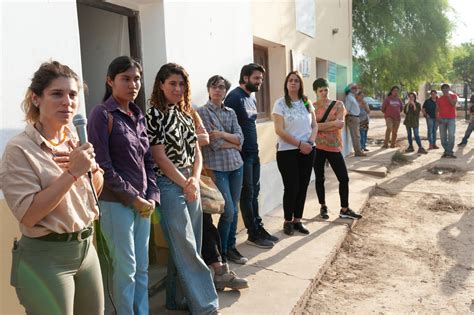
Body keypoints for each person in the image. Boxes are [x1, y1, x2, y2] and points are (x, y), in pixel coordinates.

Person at [0, 61, 104, 314]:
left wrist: (91, 169)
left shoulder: (76, 138)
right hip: (47, 257)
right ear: (36, 98)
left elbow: (94, 192)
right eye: (56, 94)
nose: (67, 102)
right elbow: (29, 214)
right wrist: (71, 173)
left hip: (86, 250)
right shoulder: (19, 149)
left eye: (72, 94)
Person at [87, 56, 159, 315]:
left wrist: (151, 195)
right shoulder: (102, 114)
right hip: (115, 204)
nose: (133, 84)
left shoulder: (138, 115)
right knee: (125, 270)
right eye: (125, 78)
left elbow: (148, 161)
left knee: (142, 269)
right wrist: (133, 198)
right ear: (110, 80)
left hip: (143, 205)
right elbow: (103, 165)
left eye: (137, 78)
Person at [146, 63, 219, 314]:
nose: (178, 88)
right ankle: (206, 305)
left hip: (191, 181)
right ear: (161, 85)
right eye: (172, 83)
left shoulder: (185, 112)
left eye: (181, 84)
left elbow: (196, 150)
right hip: (169, 184)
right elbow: (159, 156)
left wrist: (194, 180)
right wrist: (185, 183)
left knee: (191, 246)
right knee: (185, 246)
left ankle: (176, 299)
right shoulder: (153, 114)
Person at [225, 63, 278, 248]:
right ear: (245, 78)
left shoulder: (251, 99)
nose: (260, 82)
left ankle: (258, 227)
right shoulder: (234, 98)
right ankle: (253, 234)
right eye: (257, 78)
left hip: (253, 154)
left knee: (254, 193)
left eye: (261, 79)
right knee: (247, 195)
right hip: (242, 155)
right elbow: (226, 125)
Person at [197, 75, 247, 264]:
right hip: (217, 168)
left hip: (236, 166)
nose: (218, 90)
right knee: (228, 211)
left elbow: (241, 138)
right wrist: (232, 141)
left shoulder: (231, 112)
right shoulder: (202, 113)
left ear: (226, 91)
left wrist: (225, 136)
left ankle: (230, 247)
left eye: (221, 87)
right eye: (214, 87)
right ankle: (220, 252)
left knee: (234, 209)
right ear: (209, 89)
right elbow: (214, 143)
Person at [272, 71, 318, 236]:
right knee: (292, 187)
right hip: (287, 151)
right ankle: (288, 220)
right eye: (290, 80)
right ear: (286, 84)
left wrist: (310, 143)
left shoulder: (306, 102)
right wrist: (300, 144)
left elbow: (315, 126)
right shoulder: (280, 103)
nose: (293, 83)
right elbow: (279, 129)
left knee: (303, 186)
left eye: (296, 81)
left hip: (308, 150)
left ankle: (298, 219)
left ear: (300, 84)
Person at [312, 78, 362, 220]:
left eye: (325, 89)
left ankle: (344, 209)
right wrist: (331, 124)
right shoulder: (312, 106)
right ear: (316, 92)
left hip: (333, 147)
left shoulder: (338, 104)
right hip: (318, 147)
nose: (324, 93)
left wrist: (319, 126)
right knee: (319, 178)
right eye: (320, 90)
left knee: (343, 178)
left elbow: (340, 124)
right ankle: (323, 206)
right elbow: (311, 126)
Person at [436, 83, 458, 158]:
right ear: (441, 90)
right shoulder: (439, 99)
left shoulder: (454, 96)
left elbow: (453, 104)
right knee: (443, 137)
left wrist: (448, 96)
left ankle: (448, 152)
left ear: (449, 89)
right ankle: (448, 151)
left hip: (451, 119)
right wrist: (437, 117)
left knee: (451, 135)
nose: (445, 89)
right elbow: (437, 109)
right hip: (442, 119)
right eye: (443, 88)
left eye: (446, 88)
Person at [344, 83, 366, 156]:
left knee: (357, 135)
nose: (356, 89)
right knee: (355, 135)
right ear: (350, 89)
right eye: (354, 88)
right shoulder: (349, 97)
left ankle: (358, 150)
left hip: (355, 117)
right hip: (352, 117)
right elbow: (347, 109)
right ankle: (358, 151)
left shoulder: (352, 97)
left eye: (357, 88)